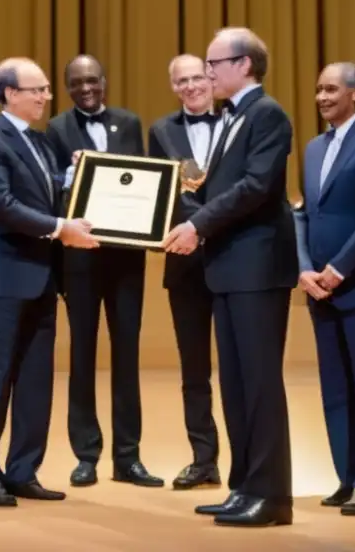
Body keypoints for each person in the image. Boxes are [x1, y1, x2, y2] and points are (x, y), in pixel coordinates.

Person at [164, 27, 297, 528]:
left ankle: (273, 496)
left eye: (215, 63)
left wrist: (196, 224)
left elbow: (257, 186)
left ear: (244, 64)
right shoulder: (231, 116)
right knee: (238, 385)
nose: (208, 72)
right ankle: (245, 486)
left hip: (257, 267)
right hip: (229, 268)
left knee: (260, 383)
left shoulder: (266, 114)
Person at [0, 57, 98, 507]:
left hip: (40, 279)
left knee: (36, 381)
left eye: (44, 89)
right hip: (1, 278)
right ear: (9, 94)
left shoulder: (41, 144)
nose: (45, 96)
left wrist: (76, 174)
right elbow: (2, 204)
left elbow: (50, 190)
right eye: (36, 89)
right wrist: (62, 228)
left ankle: (23, 471)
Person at [46, 54, 162, 488]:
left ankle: (128, 457)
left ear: (105, 82)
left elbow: (144, 180)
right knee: (81, 354)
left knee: (127, 355)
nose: (86, 89)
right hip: (79, 259)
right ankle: (86, 455)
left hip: (126, 259)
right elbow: (54, 188)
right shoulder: (57, 128)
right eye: (76, 83)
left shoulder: (129, 123)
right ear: (67, 87)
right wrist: (71, 175)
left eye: (92, 80)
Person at [293, 63, 355, 516]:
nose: (321, 96)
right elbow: (302, 213)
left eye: (331, 89)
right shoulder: (313, 148)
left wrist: (338, 268)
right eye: (318, 89)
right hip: (317, 286)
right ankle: (346, 475)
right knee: (334, 387)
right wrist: (303, 268)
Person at [146, 54, 222, 489]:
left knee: (238, 367)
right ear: (173, 86)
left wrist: (207, 226)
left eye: (198, 77)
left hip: (234, 256)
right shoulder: (162, 131)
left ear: (212, 79)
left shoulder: (237, 120)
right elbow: (161, 192)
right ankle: (204, 458)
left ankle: (248, 459)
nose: (192, 86)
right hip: (185, 262)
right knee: (194, 369)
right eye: (182, 81)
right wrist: (190, 229)